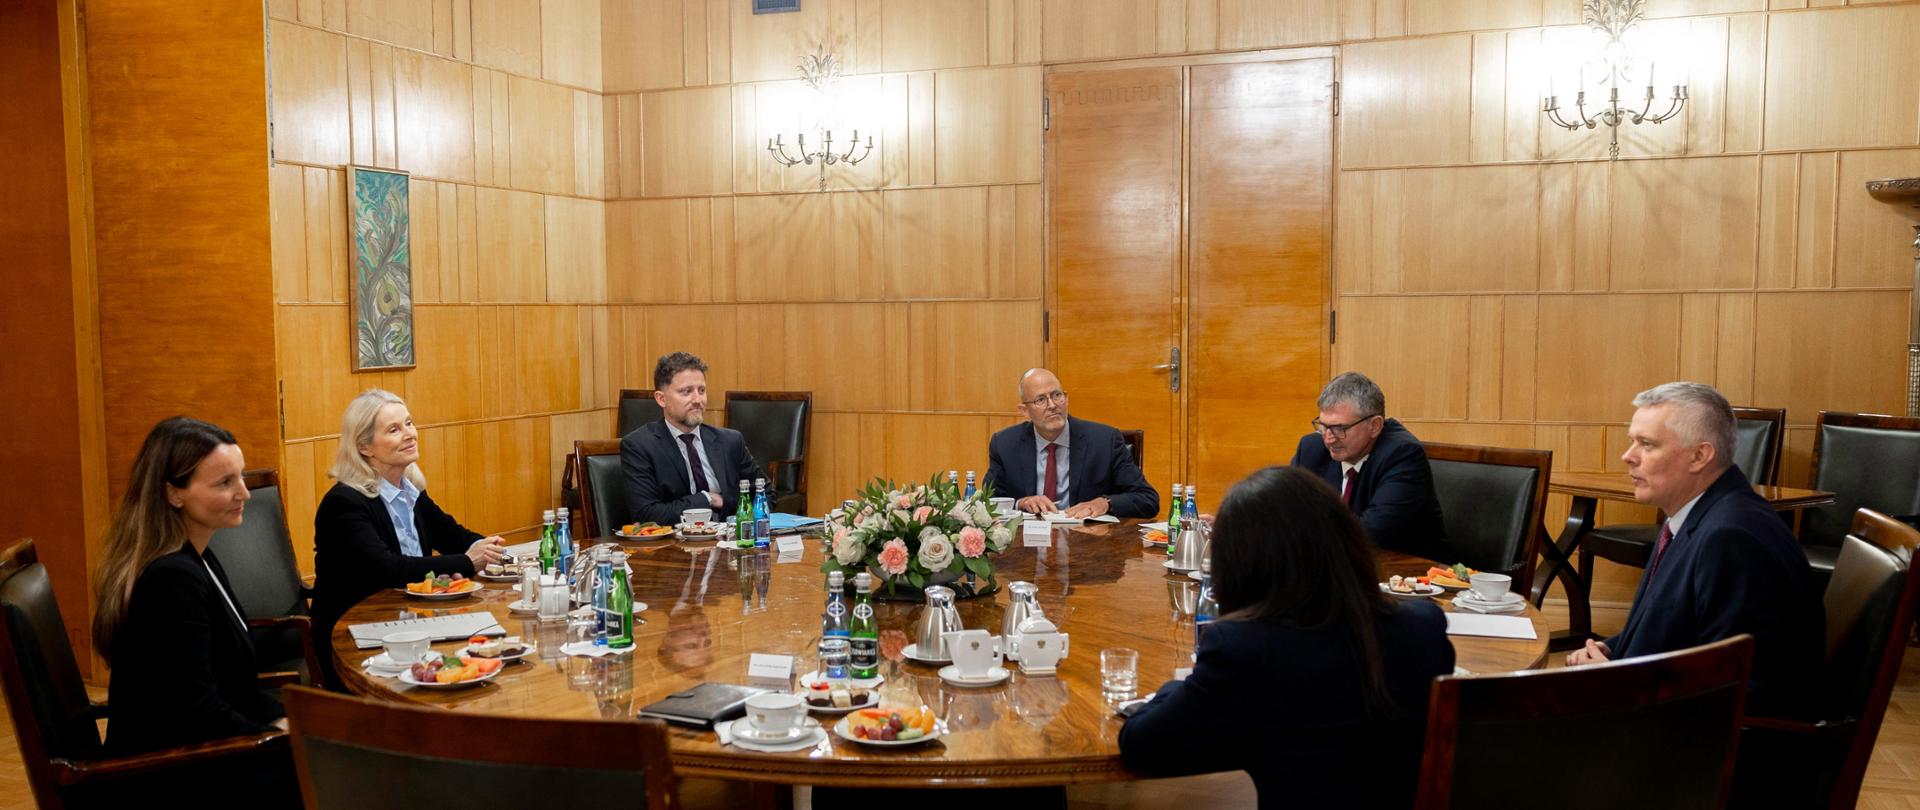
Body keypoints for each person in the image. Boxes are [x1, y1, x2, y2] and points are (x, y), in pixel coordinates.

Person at [1119, 466, 1455, 807]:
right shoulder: (1423, 627)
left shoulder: (1242, 648)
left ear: (1244, 563)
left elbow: (1140, 743)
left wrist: (1175, 688)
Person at [1565, 382, 1821, 716]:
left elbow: (1735, 687)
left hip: (1706, 740)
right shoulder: (1695, 514)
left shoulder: (1731, 538)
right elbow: (1677, 631)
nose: (1628, 456)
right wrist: (1612, 650)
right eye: (1632, 441)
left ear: (1699, 456)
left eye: (1646, 444)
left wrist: (1617, 681)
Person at [91, 417, 296, 801]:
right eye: (225, 483)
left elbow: (233, 687)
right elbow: (196, 710)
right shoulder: (172, 577)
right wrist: (274, 736)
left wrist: (292, 720)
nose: (245, 493)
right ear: (174, 494)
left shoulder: (196, 556)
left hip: (200, 752)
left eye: (240, 477)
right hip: (171, 776)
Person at [311, 389, 505, 681]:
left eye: (409, 423)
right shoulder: (344, 503)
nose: (409, 434)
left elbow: (452, 535)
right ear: (365, 447)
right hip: (354, 638)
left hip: (410, 624)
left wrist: (493, 550)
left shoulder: (409, 490)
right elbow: (388, 569)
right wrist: (468, 561)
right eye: (394, 429)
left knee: (488, 648)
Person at [1289, 371, 1450, 561]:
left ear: (1375, 426)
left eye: (1340, 428)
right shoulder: (1311, 449)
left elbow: (1371, 532)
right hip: (1338, 564)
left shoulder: (1403, 454)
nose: (1328, 438)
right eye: (1323, 426)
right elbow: (1286, 513)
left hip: (1410, 571)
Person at [984, 368, 1159, 519]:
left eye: (1057, 395)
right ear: (1025, 411)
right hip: (1028, 541)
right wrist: (1021, 503)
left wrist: (1105, 503)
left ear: (1066, 399)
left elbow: (1147, 500)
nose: (1052, 405)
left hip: (1089, 540)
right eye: (1040, 400)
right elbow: (985, 503)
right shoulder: (1005, 444)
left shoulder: (1105, 441)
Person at [621, 351, 761, 526]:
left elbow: (764, 494)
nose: (697, 400)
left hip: (732, 537)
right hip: (676, 541)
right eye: (686, 392)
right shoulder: (639, 446)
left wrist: (733, 513)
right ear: (661, 399)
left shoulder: (730, 441)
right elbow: (646, 514)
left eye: (701, 390)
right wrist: (707, 498)